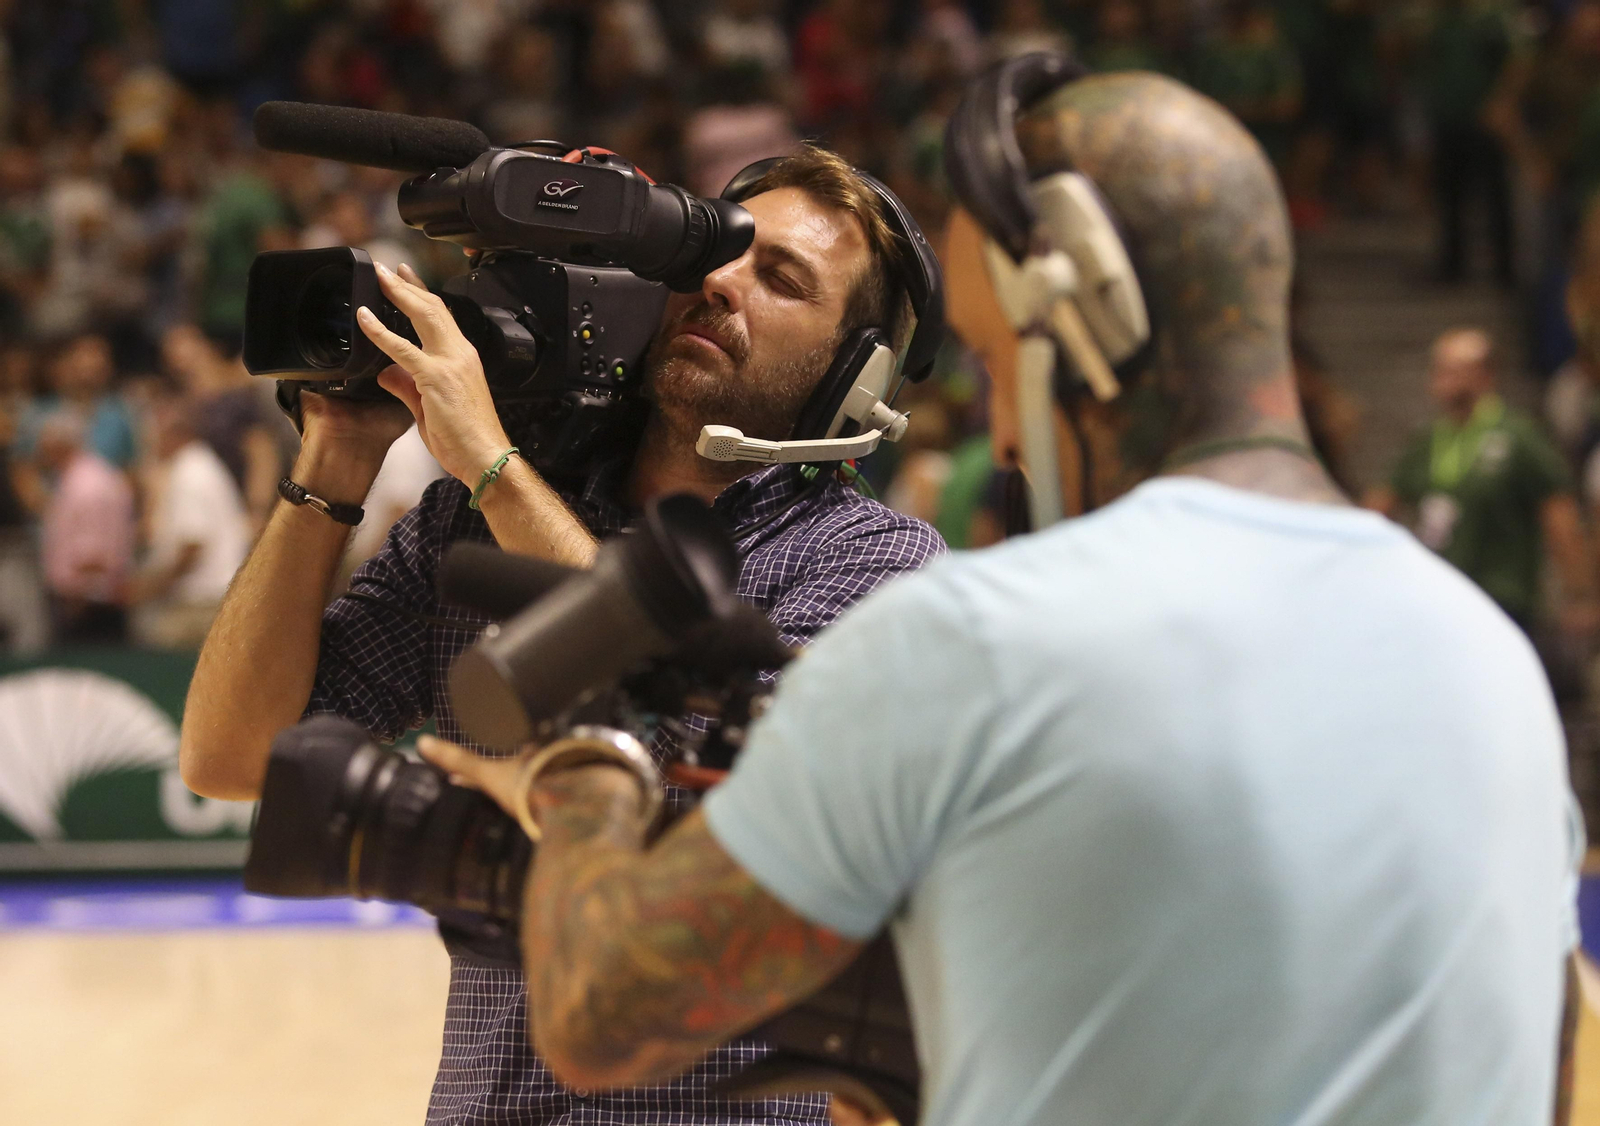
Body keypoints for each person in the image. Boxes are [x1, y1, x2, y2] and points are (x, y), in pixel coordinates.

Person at [422, 69, 1582, 1125]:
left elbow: (601, 1016)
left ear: (1074, 324)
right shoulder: (1489, 659)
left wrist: (581, 766)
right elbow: (1556, 1047)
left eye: (989, 354)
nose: (1007, 434)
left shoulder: (971, 641)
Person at [179, 146, 944, 1125]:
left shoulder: (876, 564)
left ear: (852, 370)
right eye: (718, 249)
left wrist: (493, 466)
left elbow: (716, 782)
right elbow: (231, 755)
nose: (718, 282)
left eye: (780, 278)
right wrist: (336, 455)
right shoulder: (468, 515)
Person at [1369, 327, 1598, 638]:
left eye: (1456, 369)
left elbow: (1559, 513)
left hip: (1501, 601)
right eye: (1439, 367)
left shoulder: (1519, 436)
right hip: (1439, 598)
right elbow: (1380, 506)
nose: (1443, 377)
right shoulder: (1427, 439)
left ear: (1485, 375)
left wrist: (1579, 593)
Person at [127, 392, 250, 650]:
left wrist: (147, 588)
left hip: (202, 604)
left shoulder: (189, 474)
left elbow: (191, 549)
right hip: (216, 597)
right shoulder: (202, 464)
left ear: (173, 433)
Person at [35, 409, 135, 644]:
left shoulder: (87, 486)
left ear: (59, 444)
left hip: (89, 605)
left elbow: (94, 554)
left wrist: (76, 601)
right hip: (85, 602)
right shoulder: (80, 477)